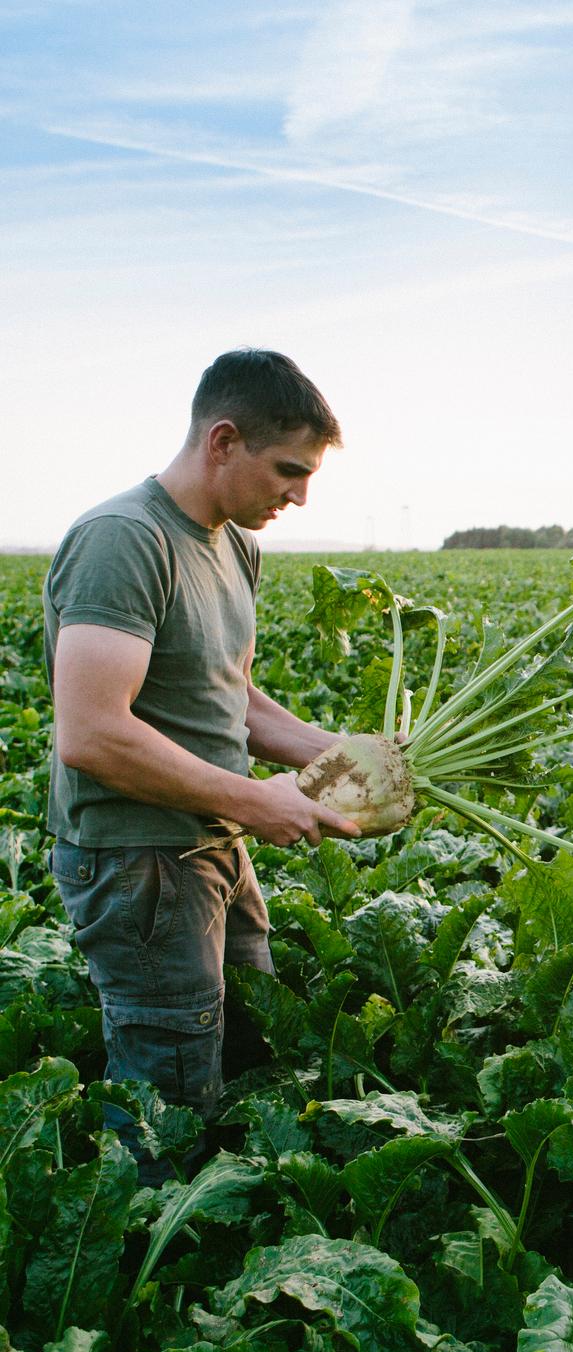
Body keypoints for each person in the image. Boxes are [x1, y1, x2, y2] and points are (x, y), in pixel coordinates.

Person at [44, 348, 361, 1181]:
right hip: (139, 860)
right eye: (289, 470)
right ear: (223, 440)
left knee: (251, 1043)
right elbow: (92, 733)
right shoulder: (125, 540)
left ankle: (227, 1247)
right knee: (167, 1094)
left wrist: (348, 761)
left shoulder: (233, 546)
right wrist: (256, 802)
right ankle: (137, 1264)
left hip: (213, 843)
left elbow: (237, 702)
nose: (299, 495)